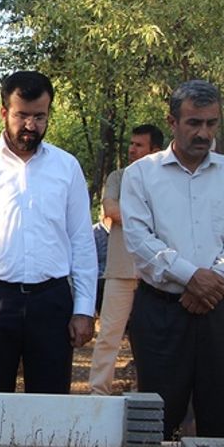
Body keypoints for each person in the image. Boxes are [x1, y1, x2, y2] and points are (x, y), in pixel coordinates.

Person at [121, 80, 224, 439]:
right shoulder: (140, 175)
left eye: (211, 123)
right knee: (157, 418)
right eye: (194, 122)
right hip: (162, 312)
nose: (204, 133)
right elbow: (139, 240)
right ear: (172, 121)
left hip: (222, 310)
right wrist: (191, 277)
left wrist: (213, 282)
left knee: (223, 417)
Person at [0, 70, 98, 394]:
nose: (30, 125)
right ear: (5, 112)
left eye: (39, 116)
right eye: (22, 115)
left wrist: (84, 308)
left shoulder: (67, 167)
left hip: (52, 303)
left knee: (50, 407)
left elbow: (81, 241)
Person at [88, 124, 163, 395]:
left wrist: (130, 214)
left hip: (157, 272)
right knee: (109, 335)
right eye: (131, 144)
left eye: (139, 145)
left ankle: (152, 393)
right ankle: (98, 394)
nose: (132, 149)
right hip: (120, 269)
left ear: (155, 150)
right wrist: (151, 217)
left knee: (153, 338)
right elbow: (111, 210)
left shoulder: (167, 180)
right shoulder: (118, 177)